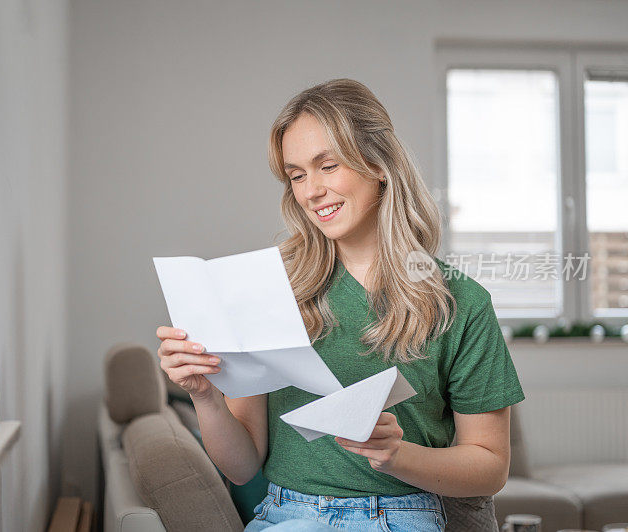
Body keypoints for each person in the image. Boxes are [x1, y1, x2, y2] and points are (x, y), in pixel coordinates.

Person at [155, 78, 525, 531]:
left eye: (327, 166)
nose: (311, 191)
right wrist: (205, 396)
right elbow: (242, 466)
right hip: (287, 517)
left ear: (379, 164)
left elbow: (490, 465)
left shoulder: (459, 302)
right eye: (297, 175)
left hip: (404, 517)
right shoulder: (268, 289)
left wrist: (397, 455)